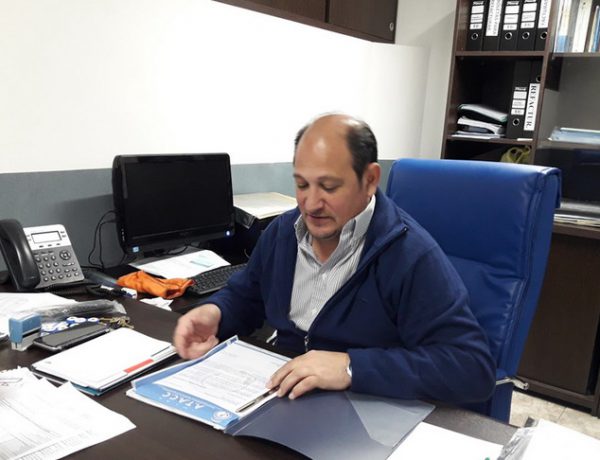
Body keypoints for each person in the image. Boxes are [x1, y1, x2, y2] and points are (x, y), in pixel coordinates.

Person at [174, 113, 495, 404]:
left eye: (328, 187)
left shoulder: (410, 254)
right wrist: (216, 312)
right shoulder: (283, 232)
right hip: (281, 394)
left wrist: (353, 367)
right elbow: (247, 296)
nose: (311, 204)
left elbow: (471, 368)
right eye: (302, 184)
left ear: (370, 180)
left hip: (364, 408)